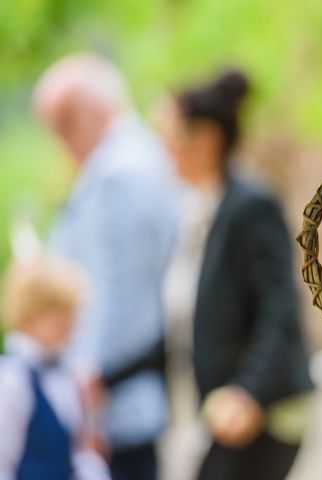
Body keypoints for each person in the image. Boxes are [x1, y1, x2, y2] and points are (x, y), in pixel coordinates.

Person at [158, 69, 313, 480]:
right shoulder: (197, 209)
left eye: (169, 135)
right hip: (219, 414)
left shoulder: (250, 205)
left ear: (204, 139)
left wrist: (247, 391)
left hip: (261, 413)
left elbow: (279, 306)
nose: (163, 148)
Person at [33, 54, 178, 480]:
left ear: (95, 111)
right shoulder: (132, 159)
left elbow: (118, 292)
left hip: (114, 403)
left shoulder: (118, 174)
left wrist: (88, 388)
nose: (61, 142)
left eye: (64, 125)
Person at [0, 254, 111, 480]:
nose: (69, 326)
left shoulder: (70, 375)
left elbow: (80, 452)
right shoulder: (13, 381)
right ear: (30, 314)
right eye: (59, 316)